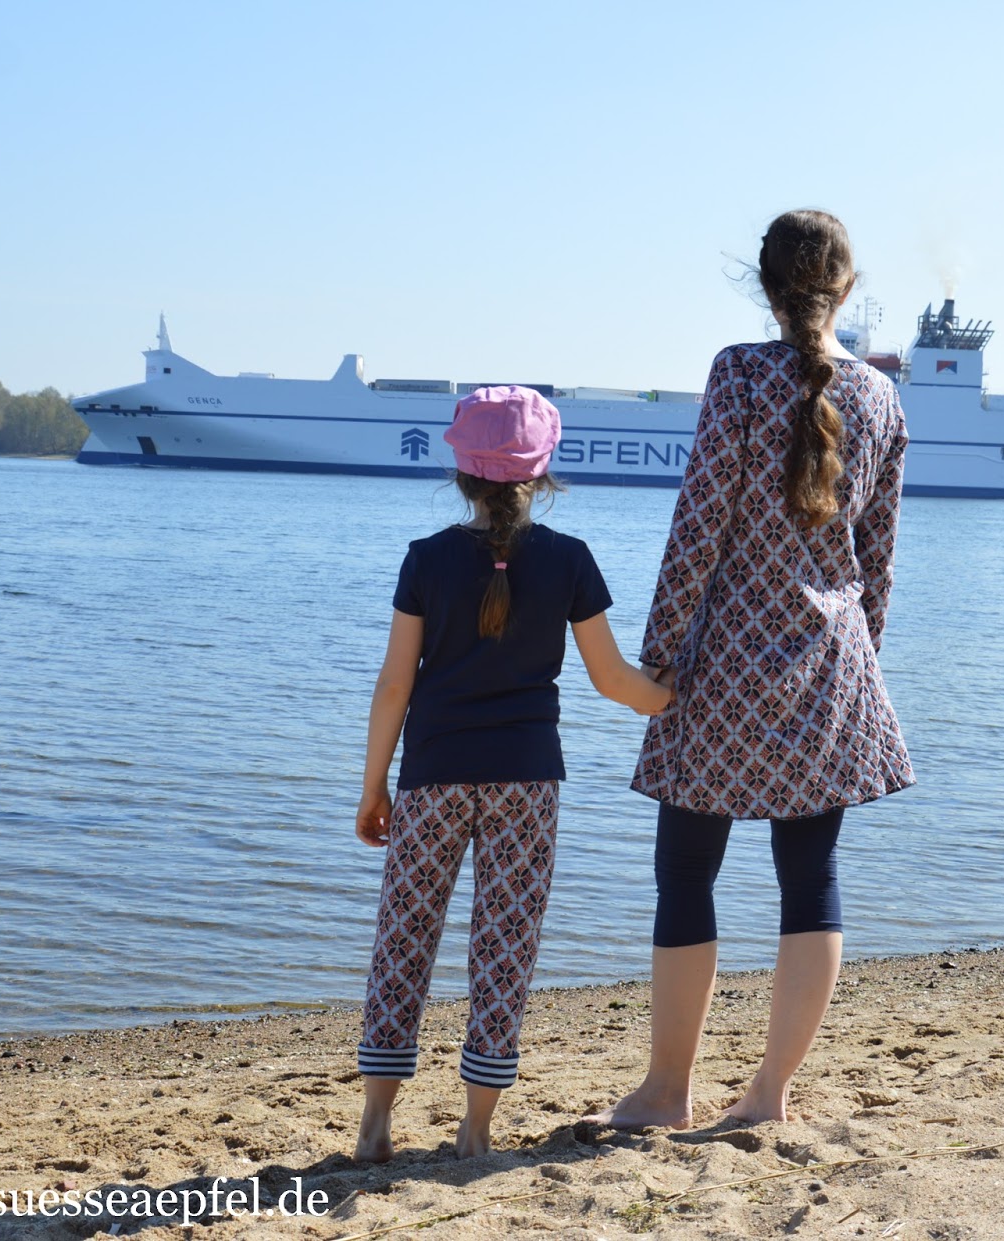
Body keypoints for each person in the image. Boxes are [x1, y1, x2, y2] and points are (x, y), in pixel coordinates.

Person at [586, 209, 915, 1130]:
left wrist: (657, 660)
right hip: (833, 662)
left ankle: (666, 1091)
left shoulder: (737, 374)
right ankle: (768, 1095)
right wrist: (861, 672)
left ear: (765, 289)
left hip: (722, 662)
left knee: (686, 871)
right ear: (845, 287)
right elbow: (877, 562)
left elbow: (698, 530)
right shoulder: (886, 400)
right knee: (810, 877)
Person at [353, 385, 673, 1161]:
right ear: (541, 475)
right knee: (503, 949)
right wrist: (670, 699)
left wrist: (373, 785)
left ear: (463, 474)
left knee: (404, 941)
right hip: (526, 783)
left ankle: (374, 1124)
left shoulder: (426, 558)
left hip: (431, 778)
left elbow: (395, 682)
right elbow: (610, 679)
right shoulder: (569, 560)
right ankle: (476, 1128)